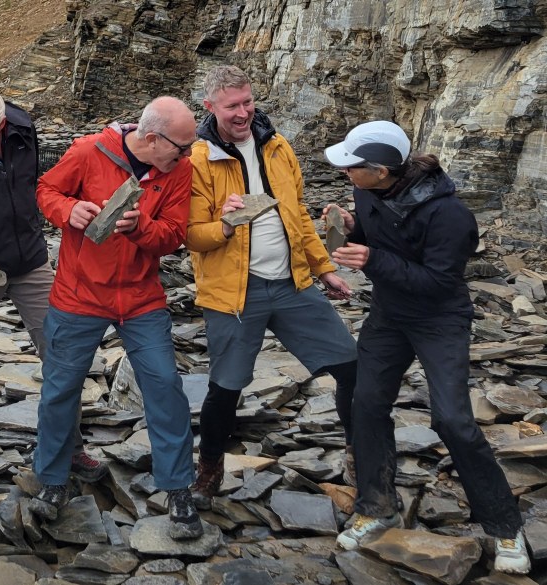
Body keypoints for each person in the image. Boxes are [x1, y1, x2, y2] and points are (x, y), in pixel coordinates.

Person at [326, 120, 530, 574]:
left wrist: (373, 259)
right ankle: (377, 506)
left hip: (440, 319)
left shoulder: (451, 216)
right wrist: (353, 229)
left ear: (381, 171)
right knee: (367, 402)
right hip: (388, 315)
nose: (345, 173)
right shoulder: (367, 192)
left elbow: (439, 284)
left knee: (453, 420)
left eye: (352, 166)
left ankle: (505, 527)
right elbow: (380, 237)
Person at [186, 65, 359, 506]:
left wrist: (323, 269)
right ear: (210, 107)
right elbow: (188, 235)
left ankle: (362, 456)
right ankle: (209, 471)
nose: (243, 112)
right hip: (233, 293)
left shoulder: (278, 146)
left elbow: (298, 213)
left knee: (351, 366)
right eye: (232, 106)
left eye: (247, 102)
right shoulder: (198, 158)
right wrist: (224, 225)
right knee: (225, 387)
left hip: (292, 284)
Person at [33, 96, 202, 539]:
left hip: (142, 299)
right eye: (181, 148)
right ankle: (51, 480)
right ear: (151, 138)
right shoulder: (89, 151)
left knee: (165, 386)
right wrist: (69, 211)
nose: (186, 157)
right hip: (78, 296)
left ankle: (179, 488)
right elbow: (46, 191)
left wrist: (140, 228)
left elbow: (173, 235)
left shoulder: (178, 171)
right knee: (59, 389)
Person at [0, 86, 105, 491]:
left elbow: (38, 187)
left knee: (60, 351)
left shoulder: (23, 128)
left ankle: (69, 446)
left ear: (2, 125)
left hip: (29, 261)